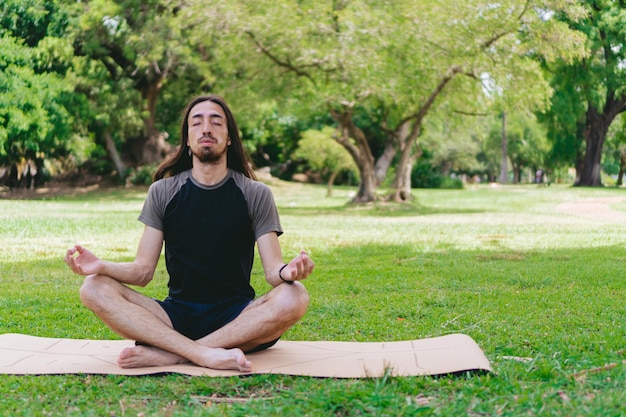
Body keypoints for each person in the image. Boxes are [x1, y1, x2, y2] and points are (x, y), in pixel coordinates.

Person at [64, 94, 314, 372]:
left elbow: (273, 272)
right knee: (94, 287)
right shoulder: (162, 192)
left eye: (216, 122)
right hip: (176, 316)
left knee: (295, 295)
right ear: (187, 139)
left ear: (229, 137)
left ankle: (176, 354)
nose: (206, 128)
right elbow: (142, 272)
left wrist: (287, 273)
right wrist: (102, 266)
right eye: (197, 123)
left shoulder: (255, 194)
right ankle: (203, 353)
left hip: (238, 319)